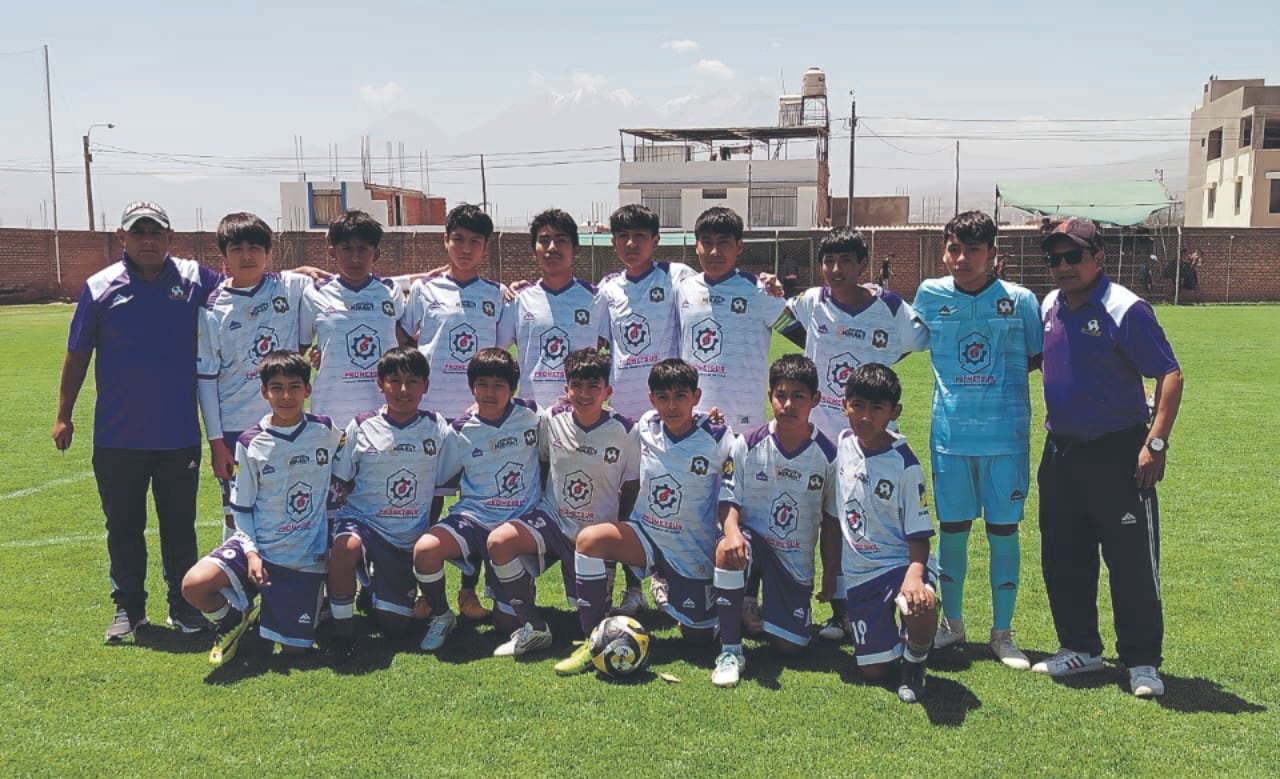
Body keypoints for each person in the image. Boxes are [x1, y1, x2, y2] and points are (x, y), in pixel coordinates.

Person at [55, 201, 224, 642]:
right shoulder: (100, 286)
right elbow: (77, 355)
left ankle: (184, 609)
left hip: (178, 434)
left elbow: (248, 290)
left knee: (179, 528)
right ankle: (128, 609)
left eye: (156, 233)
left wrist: (300, 275)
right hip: (118, 437)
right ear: (122, 238)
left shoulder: (196, 280)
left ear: (170, 238)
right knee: (123, 527)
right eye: (139, 233)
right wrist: (63, 416)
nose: (148, 240)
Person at [1034, 218, 1183, 698]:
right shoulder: (1050, 305)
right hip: (1060, 453)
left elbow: (1170, 374)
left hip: (1118, 452)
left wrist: (1155, 443)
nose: (1062, 267)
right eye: (1054, 259)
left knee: (1131, 560)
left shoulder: (1125, 308)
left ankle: (1142, 661)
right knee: (1063, 556)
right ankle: (1080, 648)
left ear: (1098, 257)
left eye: (1072, 256)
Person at [776, 226, 927, 641]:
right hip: (819, 436)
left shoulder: (890, 307)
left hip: (872, 441)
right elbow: (779, 317)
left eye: (846, 261)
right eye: (829, 261)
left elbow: (918, 339)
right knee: (825, 522)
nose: (836, 269)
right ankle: (836, 607)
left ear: (863, 265)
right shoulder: (812, 301)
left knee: (870, 524)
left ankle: (883, 600)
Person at [910, 210, 1042, 669]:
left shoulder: (1021, 300)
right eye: (953, 248)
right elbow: (900, 340)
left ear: (993, 254)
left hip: (1006, 439)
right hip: (949, 438)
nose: (961, 258)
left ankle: (1002, 634)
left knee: (1004, 531)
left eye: (972, 250)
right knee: (953, 532)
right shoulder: (929, 295)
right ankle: (953, 624)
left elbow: (1041, 359)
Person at [558, 359, 734, 672]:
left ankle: (684, 597)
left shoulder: (719, 437)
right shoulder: (647, 425)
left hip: (690, 547)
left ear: (696, 396)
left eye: (681, 396)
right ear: (651, 399)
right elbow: (608, 423)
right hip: (646, 534)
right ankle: (593, 638)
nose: (672, 405)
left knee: (697, 640)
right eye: (663, 397)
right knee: (589, 540)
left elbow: (735, 485)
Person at [180, 351, 341, 661]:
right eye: (276, 387)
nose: (286, 396)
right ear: (264, 392)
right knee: (195, 586)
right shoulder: (250, 441)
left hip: (301, 556)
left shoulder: (325, 431)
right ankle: (233, 619)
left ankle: (292, 607)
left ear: (308, 390)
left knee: (295, 650)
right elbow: (241, 509)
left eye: (295, 386)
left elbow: (350, 462)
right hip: (256, 546)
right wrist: (252, 553)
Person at [485, 349, 640, 660]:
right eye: (576, 385)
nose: (583, 394)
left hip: (595, 536)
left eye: (593, 386)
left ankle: (594, 597)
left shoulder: (626, 429)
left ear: (607, 391)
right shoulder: (551, 419)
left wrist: (615, 536)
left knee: (593, 629)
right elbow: (542, 460)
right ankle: (534, 626)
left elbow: (632, 486)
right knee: (499, 543)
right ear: (566, 388)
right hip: (552, 521)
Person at [399, 203, 510, 621]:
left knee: (479, 503)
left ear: (485, 247)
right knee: (421, 504)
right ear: (446, 241)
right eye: (458, 239)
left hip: (475, 421)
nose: (465, 248)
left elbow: (498, 356)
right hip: (428, 418)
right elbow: (403, 339)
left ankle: (468, 591)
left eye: (475, 242)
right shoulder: (424, 291)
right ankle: (421, 591)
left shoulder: (495, 296)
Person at [708, 355, 839, 687]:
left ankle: (752, 605)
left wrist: (831, 575)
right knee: (727, 548)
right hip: (751, 543)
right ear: (770, 397)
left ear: (815, 400)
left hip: (792, 558)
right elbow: (728, 499)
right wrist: (733, 532)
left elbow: (832, 521)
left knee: (791, 647)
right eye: (781, 395)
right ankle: (730, 649)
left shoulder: (828, 455)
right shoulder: (747, 444)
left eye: (798, 396)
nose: (788, 404)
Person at [594, 203, 699, 614]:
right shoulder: (608, 288)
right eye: (622, 236)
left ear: (656, 240)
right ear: (613, 242)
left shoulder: (678, 278)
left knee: (674, 498)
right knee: (627, 498)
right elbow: (601, 347)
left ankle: (672, 578)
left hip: (671, 415)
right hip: (624, 416)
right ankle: (633, 585)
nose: (631, 243)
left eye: (640, 236)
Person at [326, 347, 458, 663]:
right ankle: (342, 633)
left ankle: (374, 591)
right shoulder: (361, 425)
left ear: (426, 386)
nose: (403, 390)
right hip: (363, 523)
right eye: (394, 381)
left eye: (412, 381)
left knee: (395, 626)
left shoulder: (438, 427)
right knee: (345, 547)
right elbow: (340, 483)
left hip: (405, 539)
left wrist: (422, 538)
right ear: (379, 384)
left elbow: (439, 491)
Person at [411, 348, 542, 652]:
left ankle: (508, 586)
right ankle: (442, 615)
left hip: (517, 522)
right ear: (471, 387)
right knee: (426, 550)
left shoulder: (533, 416)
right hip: (474, 517)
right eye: (482, 384)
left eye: (499, 385)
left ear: (512, 387)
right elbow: (445, 483)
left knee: (506, 624)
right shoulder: (459, 430)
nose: (490, 392)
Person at [198, 212, 314, 541]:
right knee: (236, 514)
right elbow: (206, 379)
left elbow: (345, 285)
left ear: (268, 252)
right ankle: (238, 589)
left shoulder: (291, 287)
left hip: (288, 424)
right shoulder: (212, 307)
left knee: (289, 505)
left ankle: (290, 586)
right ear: (223, 256)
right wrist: (216, 443)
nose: (247, 256)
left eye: (255, 248)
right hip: (236, 429)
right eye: (237, 249)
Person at [832, 363, 938, 703]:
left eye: (877, 408)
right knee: (874, 673)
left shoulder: (905, 466)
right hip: (861, 575)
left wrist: (915, 575)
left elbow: (919, 534)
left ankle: (916, 660)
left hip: (900, 564)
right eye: (858, 405)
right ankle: (897, 641)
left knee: (919, 602)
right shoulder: (844, 442)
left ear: (895, 412)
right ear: (844, 405)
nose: (865, 416)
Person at [674, 207, 787, 431]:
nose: (714, 251)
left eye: (724, 242)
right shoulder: (683, 290)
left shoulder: (760, 291)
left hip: (744, 422)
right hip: (694, 420)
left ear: (739, 246)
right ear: (696, 247)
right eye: (707, 242)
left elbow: (801, 334)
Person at [299, 209, 411, 430]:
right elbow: (299, 347)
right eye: (347, 249)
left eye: (363, 249)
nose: (355, 258)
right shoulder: (314, 293)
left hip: (383, 412)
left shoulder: (390, 291)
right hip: (332, 413)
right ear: (332, 252)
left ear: (376, 254)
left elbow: (402, 342)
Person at [504, 208, 603, 408]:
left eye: (561, 240)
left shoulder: (596, 299)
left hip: (579, 416)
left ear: (575, 248)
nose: (552, 247)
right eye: (544, 240)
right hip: (531, 415)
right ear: (533, 251)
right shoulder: (518, 300)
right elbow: (496, 352)